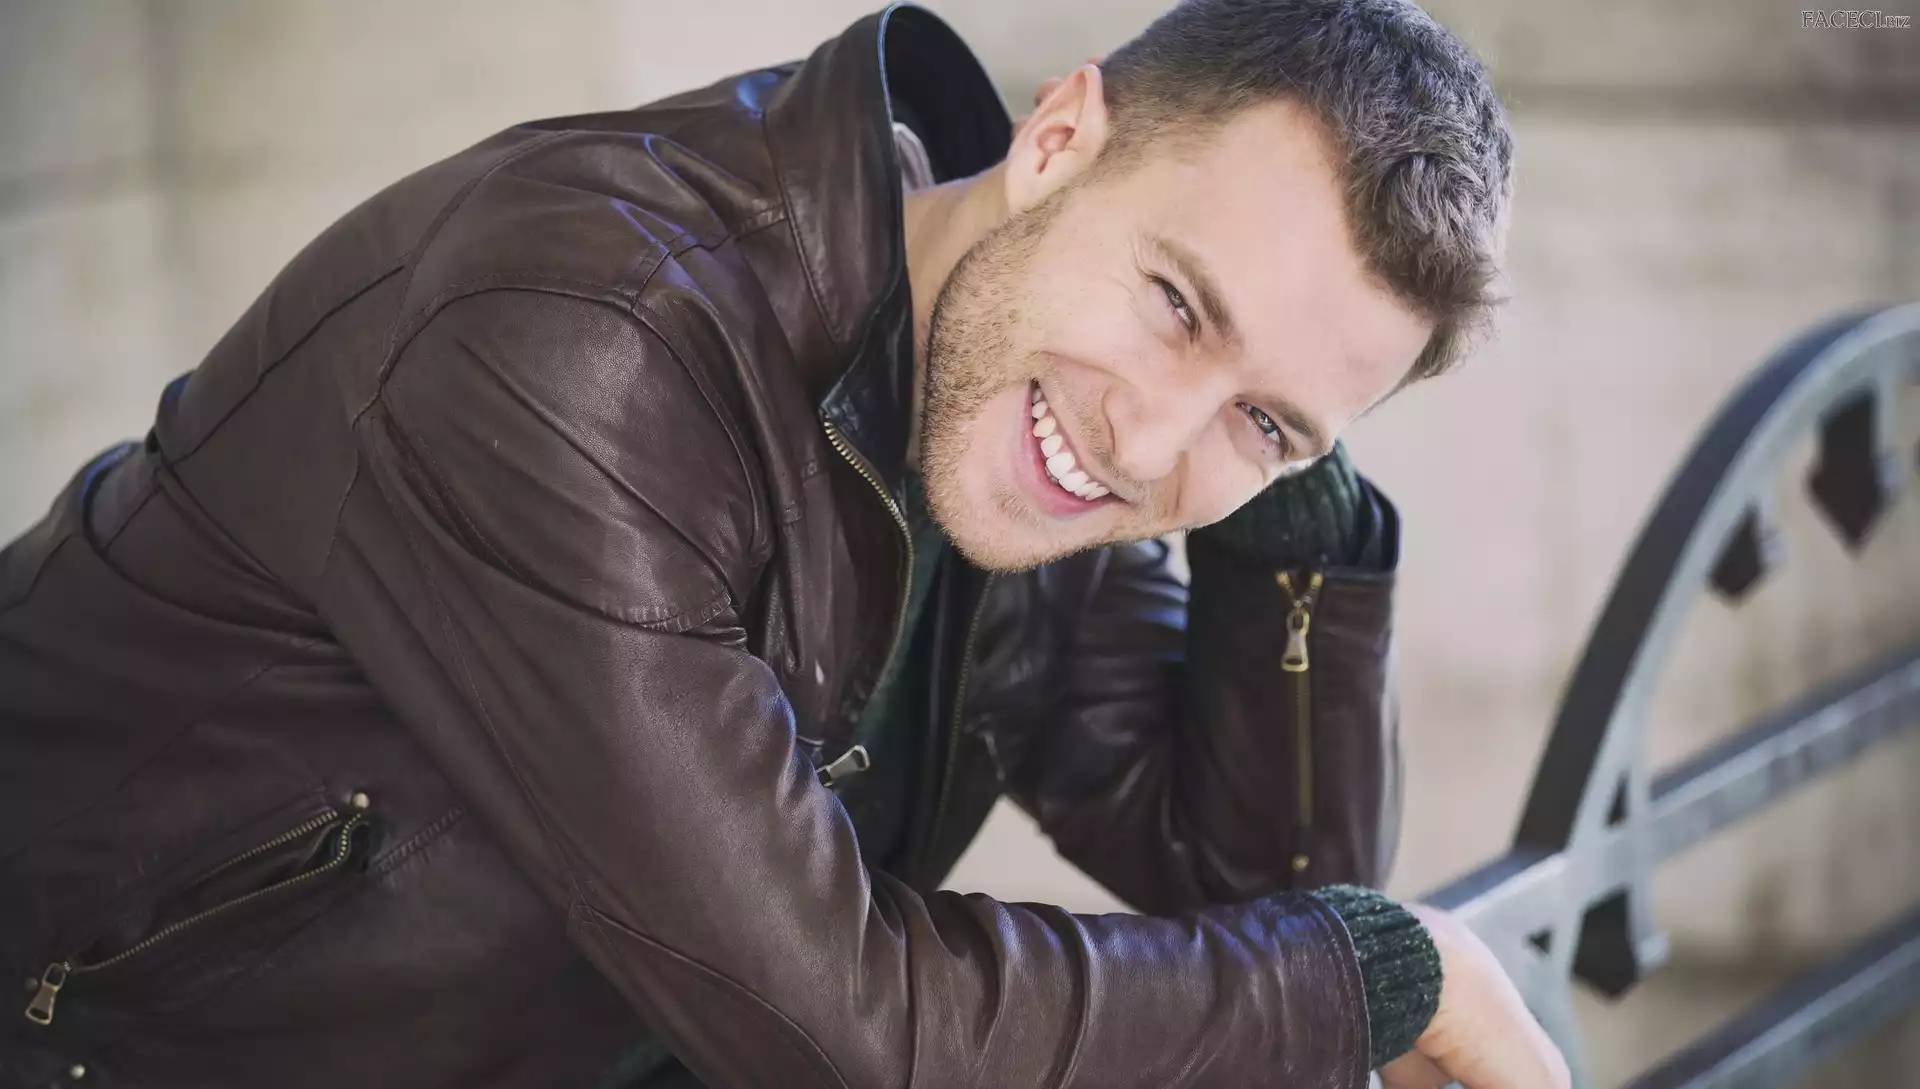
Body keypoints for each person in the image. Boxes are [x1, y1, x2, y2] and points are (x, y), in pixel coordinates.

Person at [0, 1, 1565, 1086]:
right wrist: (1383, 975)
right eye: (1176, 303)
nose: (1151, 446)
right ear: (1060, 137)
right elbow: (839, 1030)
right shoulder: (587, 337)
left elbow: (1253, 886)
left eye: (1269, 421)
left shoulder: (1033, 423)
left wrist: (1283, 499)